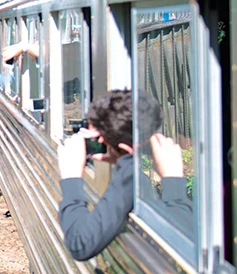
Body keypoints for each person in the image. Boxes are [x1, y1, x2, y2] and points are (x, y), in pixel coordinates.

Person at [57, 90, 191, 261]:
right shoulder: (135, 172)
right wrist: (122, 158)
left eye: (101, 139)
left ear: (124, 148)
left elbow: (79, 243)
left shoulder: (129, 177)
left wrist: (71, 177)